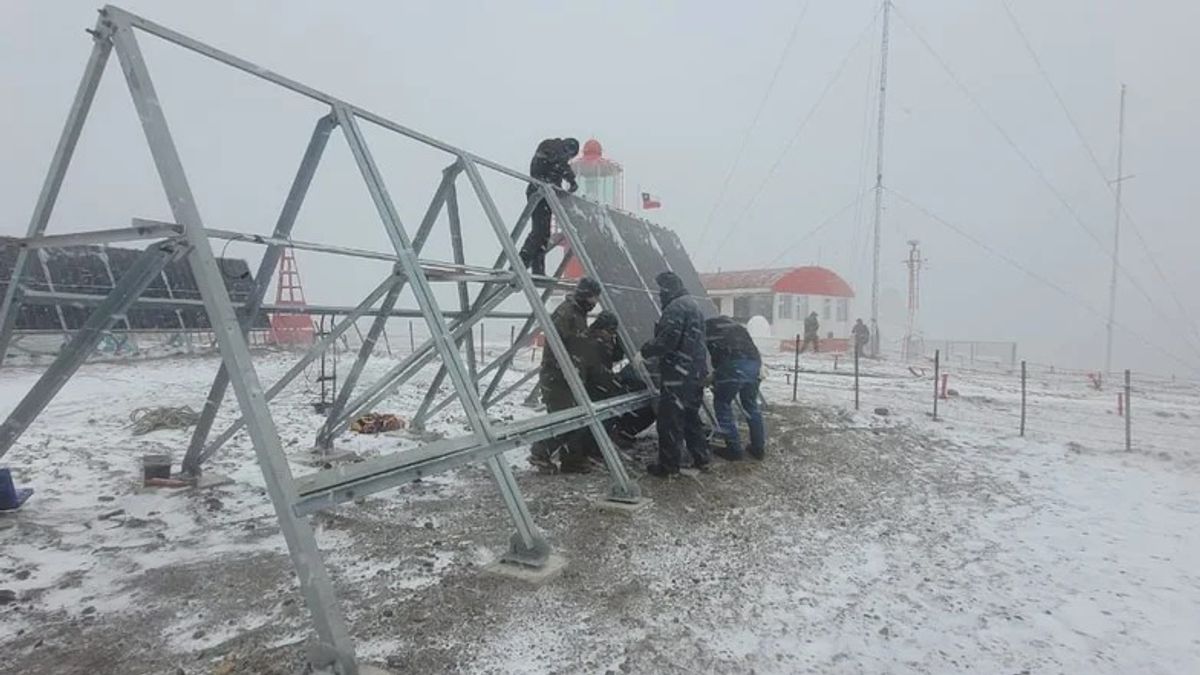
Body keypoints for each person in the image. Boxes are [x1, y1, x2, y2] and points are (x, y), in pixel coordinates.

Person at [639, 271, 709, 477]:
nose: (660, 295)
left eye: (661, 290)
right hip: (695, 371)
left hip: (679, 375)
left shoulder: (675, 308)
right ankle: (701, 458)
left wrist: (645, 350)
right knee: (690, 416)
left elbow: (667, 341)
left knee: (670, 420)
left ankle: (668, 467)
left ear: (668, 290)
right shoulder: (692, 305)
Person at [529, 276, 600, 473]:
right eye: (594, 298)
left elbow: (577, 345)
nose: (595, 303)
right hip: (558, 377)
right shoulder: (566, 313)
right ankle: (540, 452)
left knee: (576, 417)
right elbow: (558, 346)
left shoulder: (578, 313)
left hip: (570, 375)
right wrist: (571, 367)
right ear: (585, 294)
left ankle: (572, 460)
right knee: (564, 418)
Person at [705, 315, 766, 461]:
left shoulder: (706, 329)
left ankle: (734, 449)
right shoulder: (737, 328)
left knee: (722, 403)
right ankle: (758, 448)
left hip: (734, 365)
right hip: (754, 364)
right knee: (750, 405)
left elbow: (716, 357)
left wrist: (715, 378)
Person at [519, 138, 579, 276]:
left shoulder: (557, 154)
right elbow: (554, 165)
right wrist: (569, 179)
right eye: (569, 155)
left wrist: (570, 180)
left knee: (544, 233)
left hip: (547, 195)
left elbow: (561, 165)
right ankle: (522, 262)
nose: (568, 158)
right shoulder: (550, 147)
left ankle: (537, 269)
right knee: (539, 231)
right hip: (538, 193)